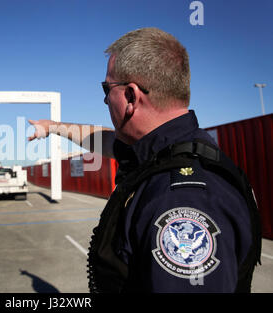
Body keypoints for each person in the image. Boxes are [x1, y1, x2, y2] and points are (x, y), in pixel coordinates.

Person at [28, 27, 261, 292]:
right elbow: (105, 140)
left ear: (130, 96)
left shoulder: (180, 201)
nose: (105, 99)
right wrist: (52, 126)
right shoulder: (170, 148)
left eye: (106, 88)